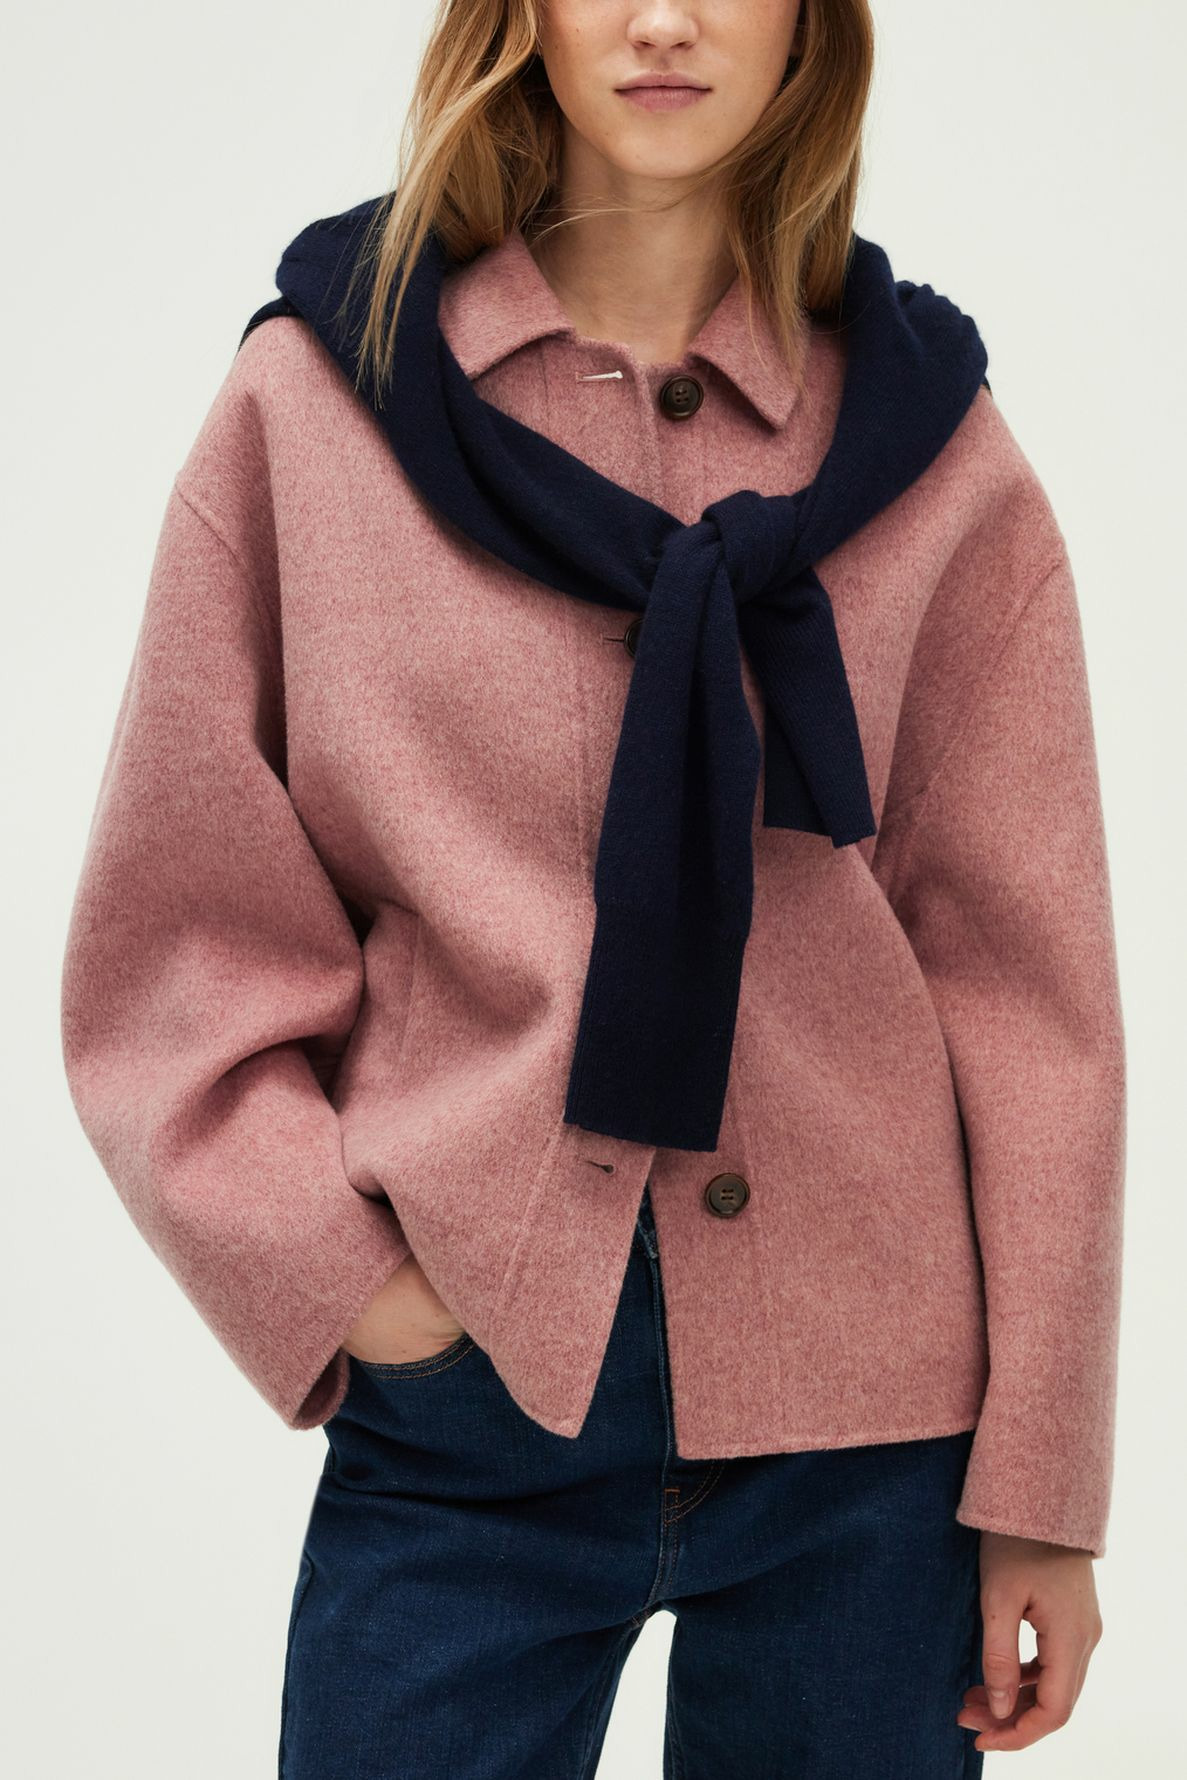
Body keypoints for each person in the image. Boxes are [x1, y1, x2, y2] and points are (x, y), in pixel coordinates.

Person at [60, 2, 1125, 1775]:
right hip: (473, 1408)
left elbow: (1033, 1002)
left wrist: (1042, 1485)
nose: (663, 19)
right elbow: (177, 942)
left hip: (875, 1444)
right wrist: (355, 1297)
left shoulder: (936, 453)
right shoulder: (321, 407)